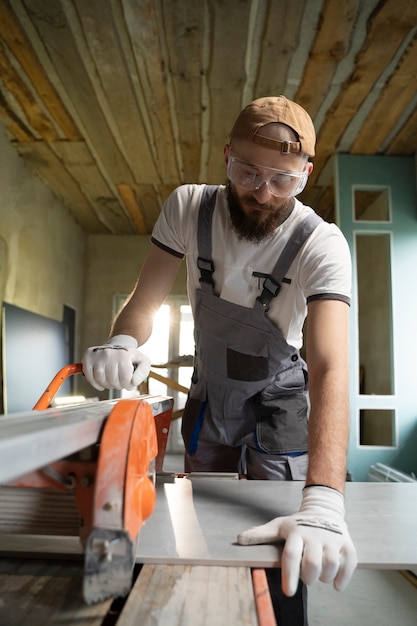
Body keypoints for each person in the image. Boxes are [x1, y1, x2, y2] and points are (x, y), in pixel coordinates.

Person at [82, 96, 357, 625]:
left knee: (281, 537)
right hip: (209, 393)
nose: (261, 191)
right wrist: (123, 343)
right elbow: (143, 305)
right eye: (246, 170)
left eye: (282, 179)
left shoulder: (322, 244)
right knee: (199, 518)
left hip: (281, 408)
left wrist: (323, 500)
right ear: (226, 155)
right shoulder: (189, 207)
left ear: (306, 173)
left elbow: (329, 368)